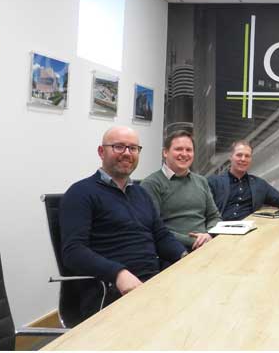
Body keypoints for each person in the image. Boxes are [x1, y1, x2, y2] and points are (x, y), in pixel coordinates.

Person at [60, 126, 187, 320]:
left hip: (152, 284)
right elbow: (73, 252)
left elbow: (161, 236)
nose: (127, 153)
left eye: (133, 148)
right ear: (101, 152)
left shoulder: (141, 193)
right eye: (119, 146)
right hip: (111, 291)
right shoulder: (80, 193)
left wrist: (185, 256)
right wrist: (118, 274)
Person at [141, 130, 220, 252]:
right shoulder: (151, 184)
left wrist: (209, 234)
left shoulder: (202, 181)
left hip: (207, 246)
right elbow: (154, 228)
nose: (184, 154)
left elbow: (214, 217)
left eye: (189, 150)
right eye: (178, 149)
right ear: (165, 152)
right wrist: (194, 241)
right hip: (175, 251)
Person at [207, 140, 279, 220]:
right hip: (220, 230)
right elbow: (202, 210)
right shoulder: (213, 182)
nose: (243, 159)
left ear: (250, 159)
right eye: (239, 155)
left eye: (247, 156)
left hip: (250, 230)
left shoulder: (259, 184)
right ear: (230, 157)